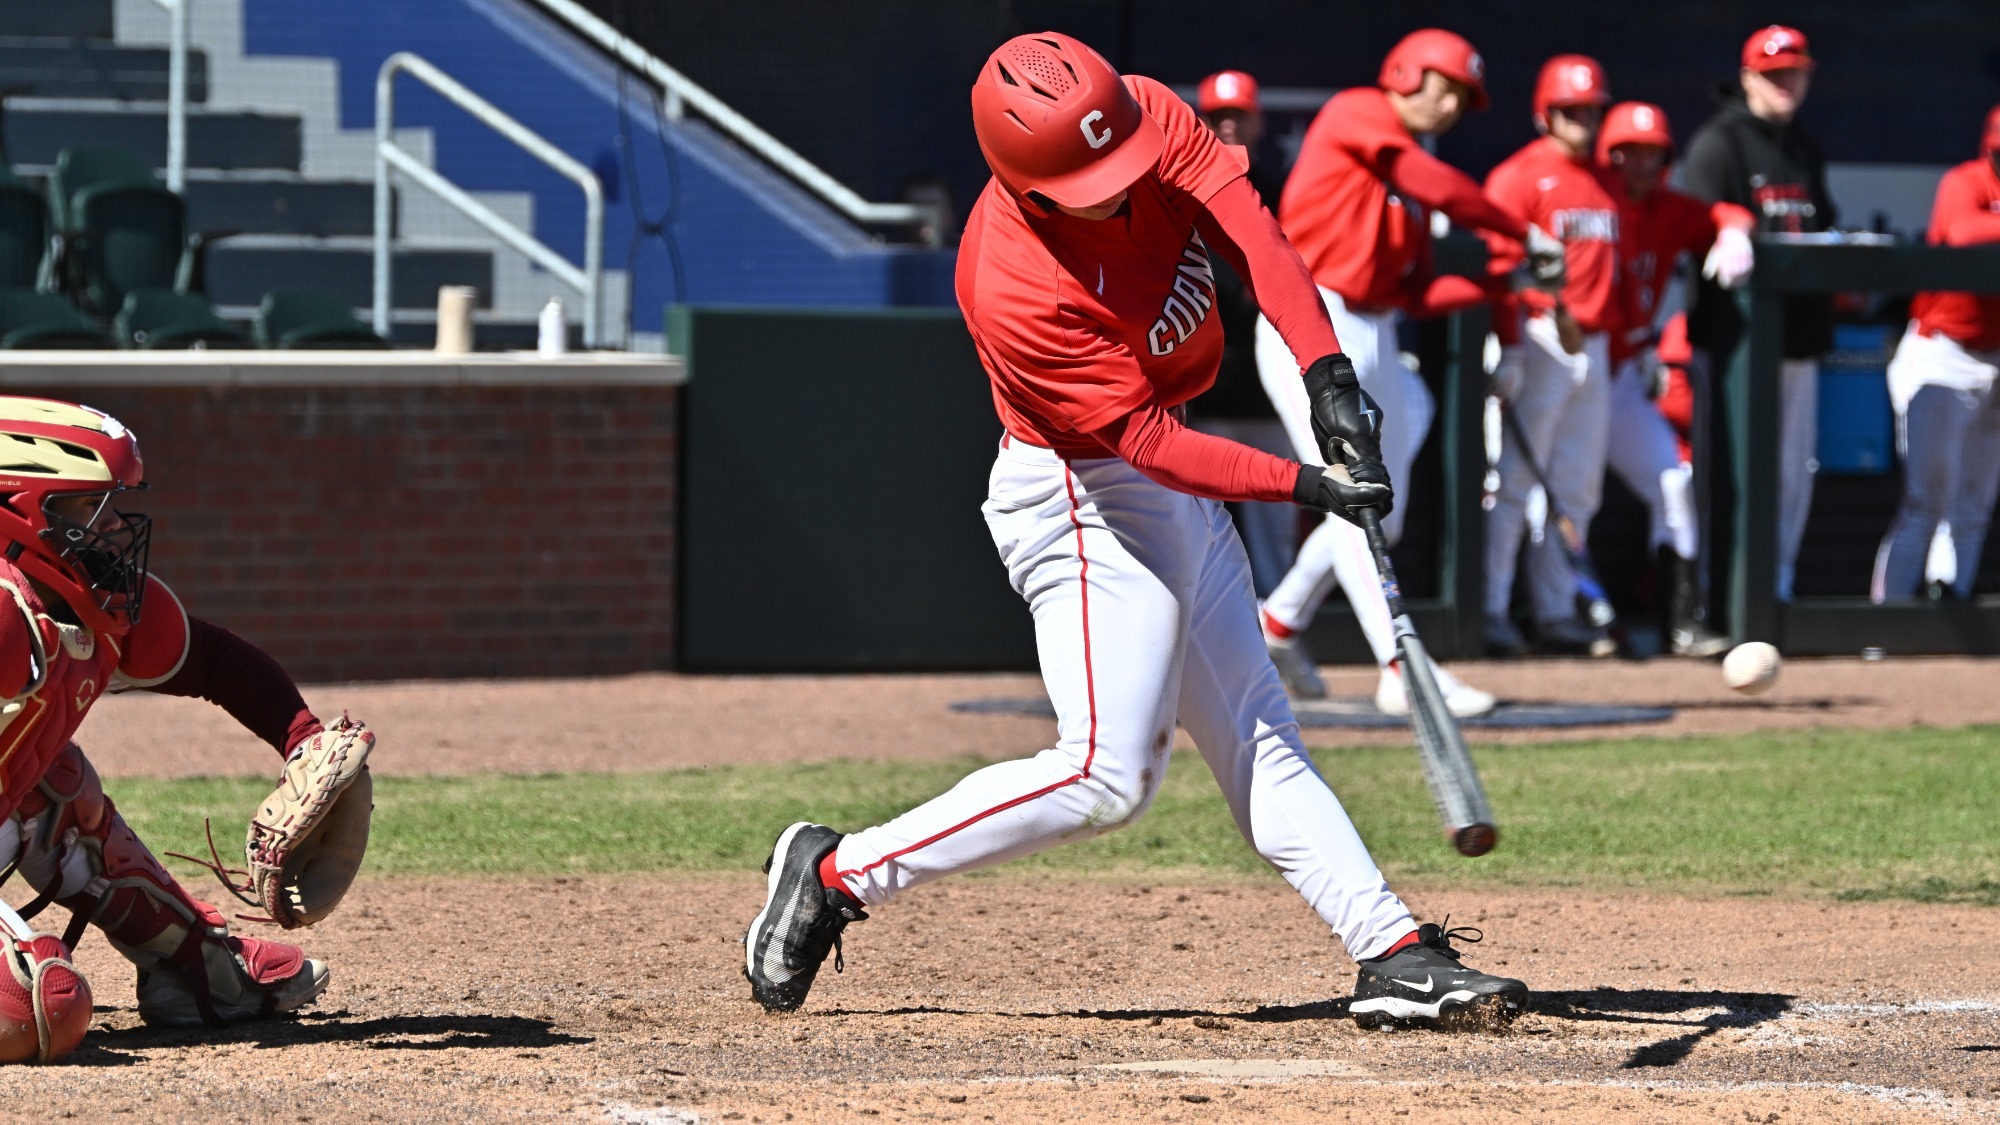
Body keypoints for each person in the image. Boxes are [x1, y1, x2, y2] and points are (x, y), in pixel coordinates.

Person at [742, 32, 1527, 1030]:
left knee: (1259, 738)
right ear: (1027, 182)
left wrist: (1328, 374)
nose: (1118, 187)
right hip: (1081, 497)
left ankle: (1391, 953)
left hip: (1169, 480)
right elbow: (1145, 445)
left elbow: (1252, 232)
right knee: (1103, 779)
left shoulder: (1141, 114)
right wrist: (1304, 484)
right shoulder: (1010, 283)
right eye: (1087, 180)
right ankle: (839, 871)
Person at [0, 397, 344, 1035]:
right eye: (81, 507)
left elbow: (213, 660)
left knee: (59, 787)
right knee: (38, 1013)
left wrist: (304, 740)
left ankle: (192, 965)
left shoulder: (83, 604)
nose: (106, 529)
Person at [1252, 29, 1556, 711]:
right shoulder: (1362, 112)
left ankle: (1278, 621)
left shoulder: (1408, 189)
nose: (1449, 103)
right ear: (1403, 71)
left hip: (1373, 327)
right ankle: (1401, 667)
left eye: (1463, 97)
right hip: (1311, 317)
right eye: (1443, 84)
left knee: (1387, 478)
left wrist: (1508, 279)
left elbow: (1415, 293)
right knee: (1357, 492)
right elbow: (1434, 182)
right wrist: (1517, 230)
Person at [1682, 25, 1836, 602]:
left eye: (1794, 72)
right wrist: (1728, 222)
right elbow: (1695, 223)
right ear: (1748, 77)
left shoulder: (1804, 147)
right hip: (1734, 346)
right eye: (1773, 74)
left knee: (1794, 474)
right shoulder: (1718, 143)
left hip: (1798, 339)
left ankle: (1779, 590)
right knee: (1729, 472)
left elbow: (1821, 225)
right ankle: (1717, 594)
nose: (1785, 84)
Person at [1596, 101, 1755, 655]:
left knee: (1672, 483)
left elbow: (1725, 214)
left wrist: (1735, 232)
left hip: (1623, 376)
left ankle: (1679, 620)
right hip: (1568, 363)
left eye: (1651, 156)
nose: (1639, 167)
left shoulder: (1669, 208)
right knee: (1549, 500)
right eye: (1627, 155)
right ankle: (1525, 617)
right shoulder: (1586, 196)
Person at [1482, 55, 1621, 655]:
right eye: (1570, 109)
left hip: (1595, 343)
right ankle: (1489, 609)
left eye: (1591, 109)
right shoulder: (1517, 176)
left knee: (1578, 488)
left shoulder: (1608, 179)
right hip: (1537, 333)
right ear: (1545, 113)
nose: (1582, 120)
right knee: (1513, 481)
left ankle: (1555, 610)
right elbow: (1493, 265)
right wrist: (1508, 343)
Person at [1872, 106, 2000, 603]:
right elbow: (1965, 233)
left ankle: (1948, 613)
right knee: (1926, 501)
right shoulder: (1964, 181)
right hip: (1941, 352)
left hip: (1995, 358)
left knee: (1973, 505)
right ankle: (1887, 622)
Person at [1186, 70, 1296, 598]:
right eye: (1217, 114)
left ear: (1258, 120)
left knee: (1278, 538)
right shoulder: (1178, 197)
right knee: (1201, 532)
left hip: (1271, 395)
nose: (1228, 123)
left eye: (1238, 114)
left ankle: (1281, 633)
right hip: (1209, 392)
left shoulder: (1281, 196)